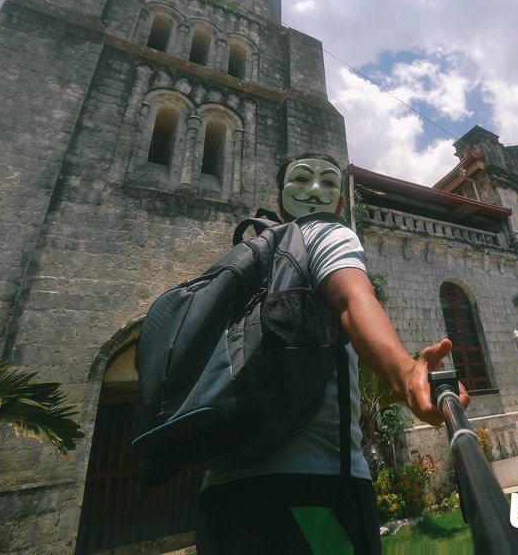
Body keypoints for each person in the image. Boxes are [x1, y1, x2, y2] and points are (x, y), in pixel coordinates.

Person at [195, 153, 469, 554]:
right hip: (311, 486)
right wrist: (405, 373)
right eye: (302, 179)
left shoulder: (245, 255)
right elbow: (352, 299)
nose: (316, 190)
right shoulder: (326, 232)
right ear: (282, 195)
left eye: (328, 183)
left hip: (220, 498)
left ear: (341, 198)